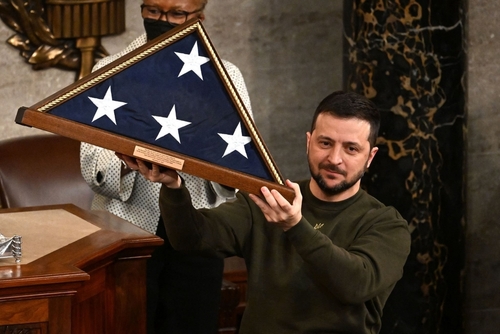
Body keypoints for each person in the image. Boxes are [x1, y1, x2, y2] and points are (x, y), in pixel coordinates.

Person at [122, 90, 412, 334]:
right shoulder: (268, 199)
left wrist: (295, 226)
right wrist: (173, 186)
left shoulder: (386, 224)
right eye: (325, 143)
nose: (334, 159)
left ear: (370, 156)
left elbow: (354, 285)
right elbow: (193, 239)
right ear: (309, 141)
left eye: (351, 149)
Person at [79, 0, 253, 333]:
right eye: (154, 11)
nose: (163, 20)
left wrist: (204, 147)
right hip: (122, 233)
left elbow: (241, 169)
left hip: (197, 230)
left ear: (198, 17)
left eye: (176, 14)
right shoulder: (110, 68)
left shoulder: (225, 75)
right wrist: (129, 161)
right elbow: (91, 167)